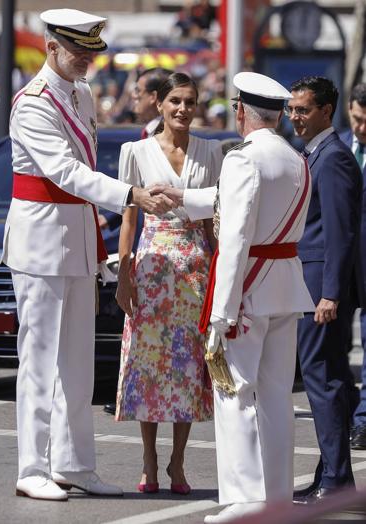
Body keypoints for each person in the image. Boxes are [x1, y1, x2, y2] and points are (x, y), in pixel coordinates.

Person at [2, 8, 173, 501]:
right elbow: (64, 172)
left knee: (76, 362)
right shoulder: (32, 103)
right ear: (51, 46)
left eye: (90, 53)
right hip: (40, 240)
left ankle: (73, 463)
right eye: (78, 52)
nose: (87, 62)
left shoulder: (80, 94)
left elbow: (81, 174)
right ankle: (32, 467)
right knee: (38, 359)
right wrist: (131, 194)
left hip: (75, 234)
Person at [153, 71, 315, 523]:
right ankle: (278, 497)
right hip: (284, 284)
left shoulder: (244, 158)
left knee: (235, 393)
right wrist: (182, 196)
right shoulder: (295, 157)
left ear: (242, 112)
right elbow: (231, 202)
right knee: (277, 396)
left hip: (248, 290)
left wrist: (221, 313)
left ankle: (245, 502)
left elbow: (237, 235)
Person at [114, 72, 223, 495]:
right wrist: (125, 274)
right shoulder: (136, 151)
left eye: (190, 101)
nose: (182, 109)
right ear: (159, 104)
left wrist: (219, 273)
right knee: (146, 364)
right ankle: (149, 458)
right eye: (175, 100)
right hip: (153, 267)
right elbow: (128, 218)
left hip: (194, 266)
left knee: (186, 366)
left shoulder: (211, 151)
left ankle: (178, 462)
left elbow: (214, 220)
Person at [286, 76, 363, 504]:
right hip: (312, 283)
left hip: (320, 289)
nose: (295, 117)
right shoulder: (314, 153)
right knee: (325, 378)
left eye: (303, 109)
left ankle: (336, 483)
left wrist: (330, 294)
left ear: (326, 111)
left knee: (322, 380)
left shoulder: (332, 158)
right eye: (291, 109)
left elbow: (340, 234)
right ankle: (331, 476)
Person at [102, 67, 172, 416]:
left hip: (172, 251)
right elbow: (131, 197)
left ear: (155, 99)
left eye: (138, 92)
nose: (133, 99)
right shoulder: (139, 139)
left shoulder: (170, 138)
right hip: (144, 245)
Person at [340, 83, 366, 449]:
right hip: (338, 266)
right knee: (333, 347)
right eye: (358, 120)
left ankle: (363, 421)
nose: (362, 128)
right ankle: (343, 411)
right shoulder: (338, 146)